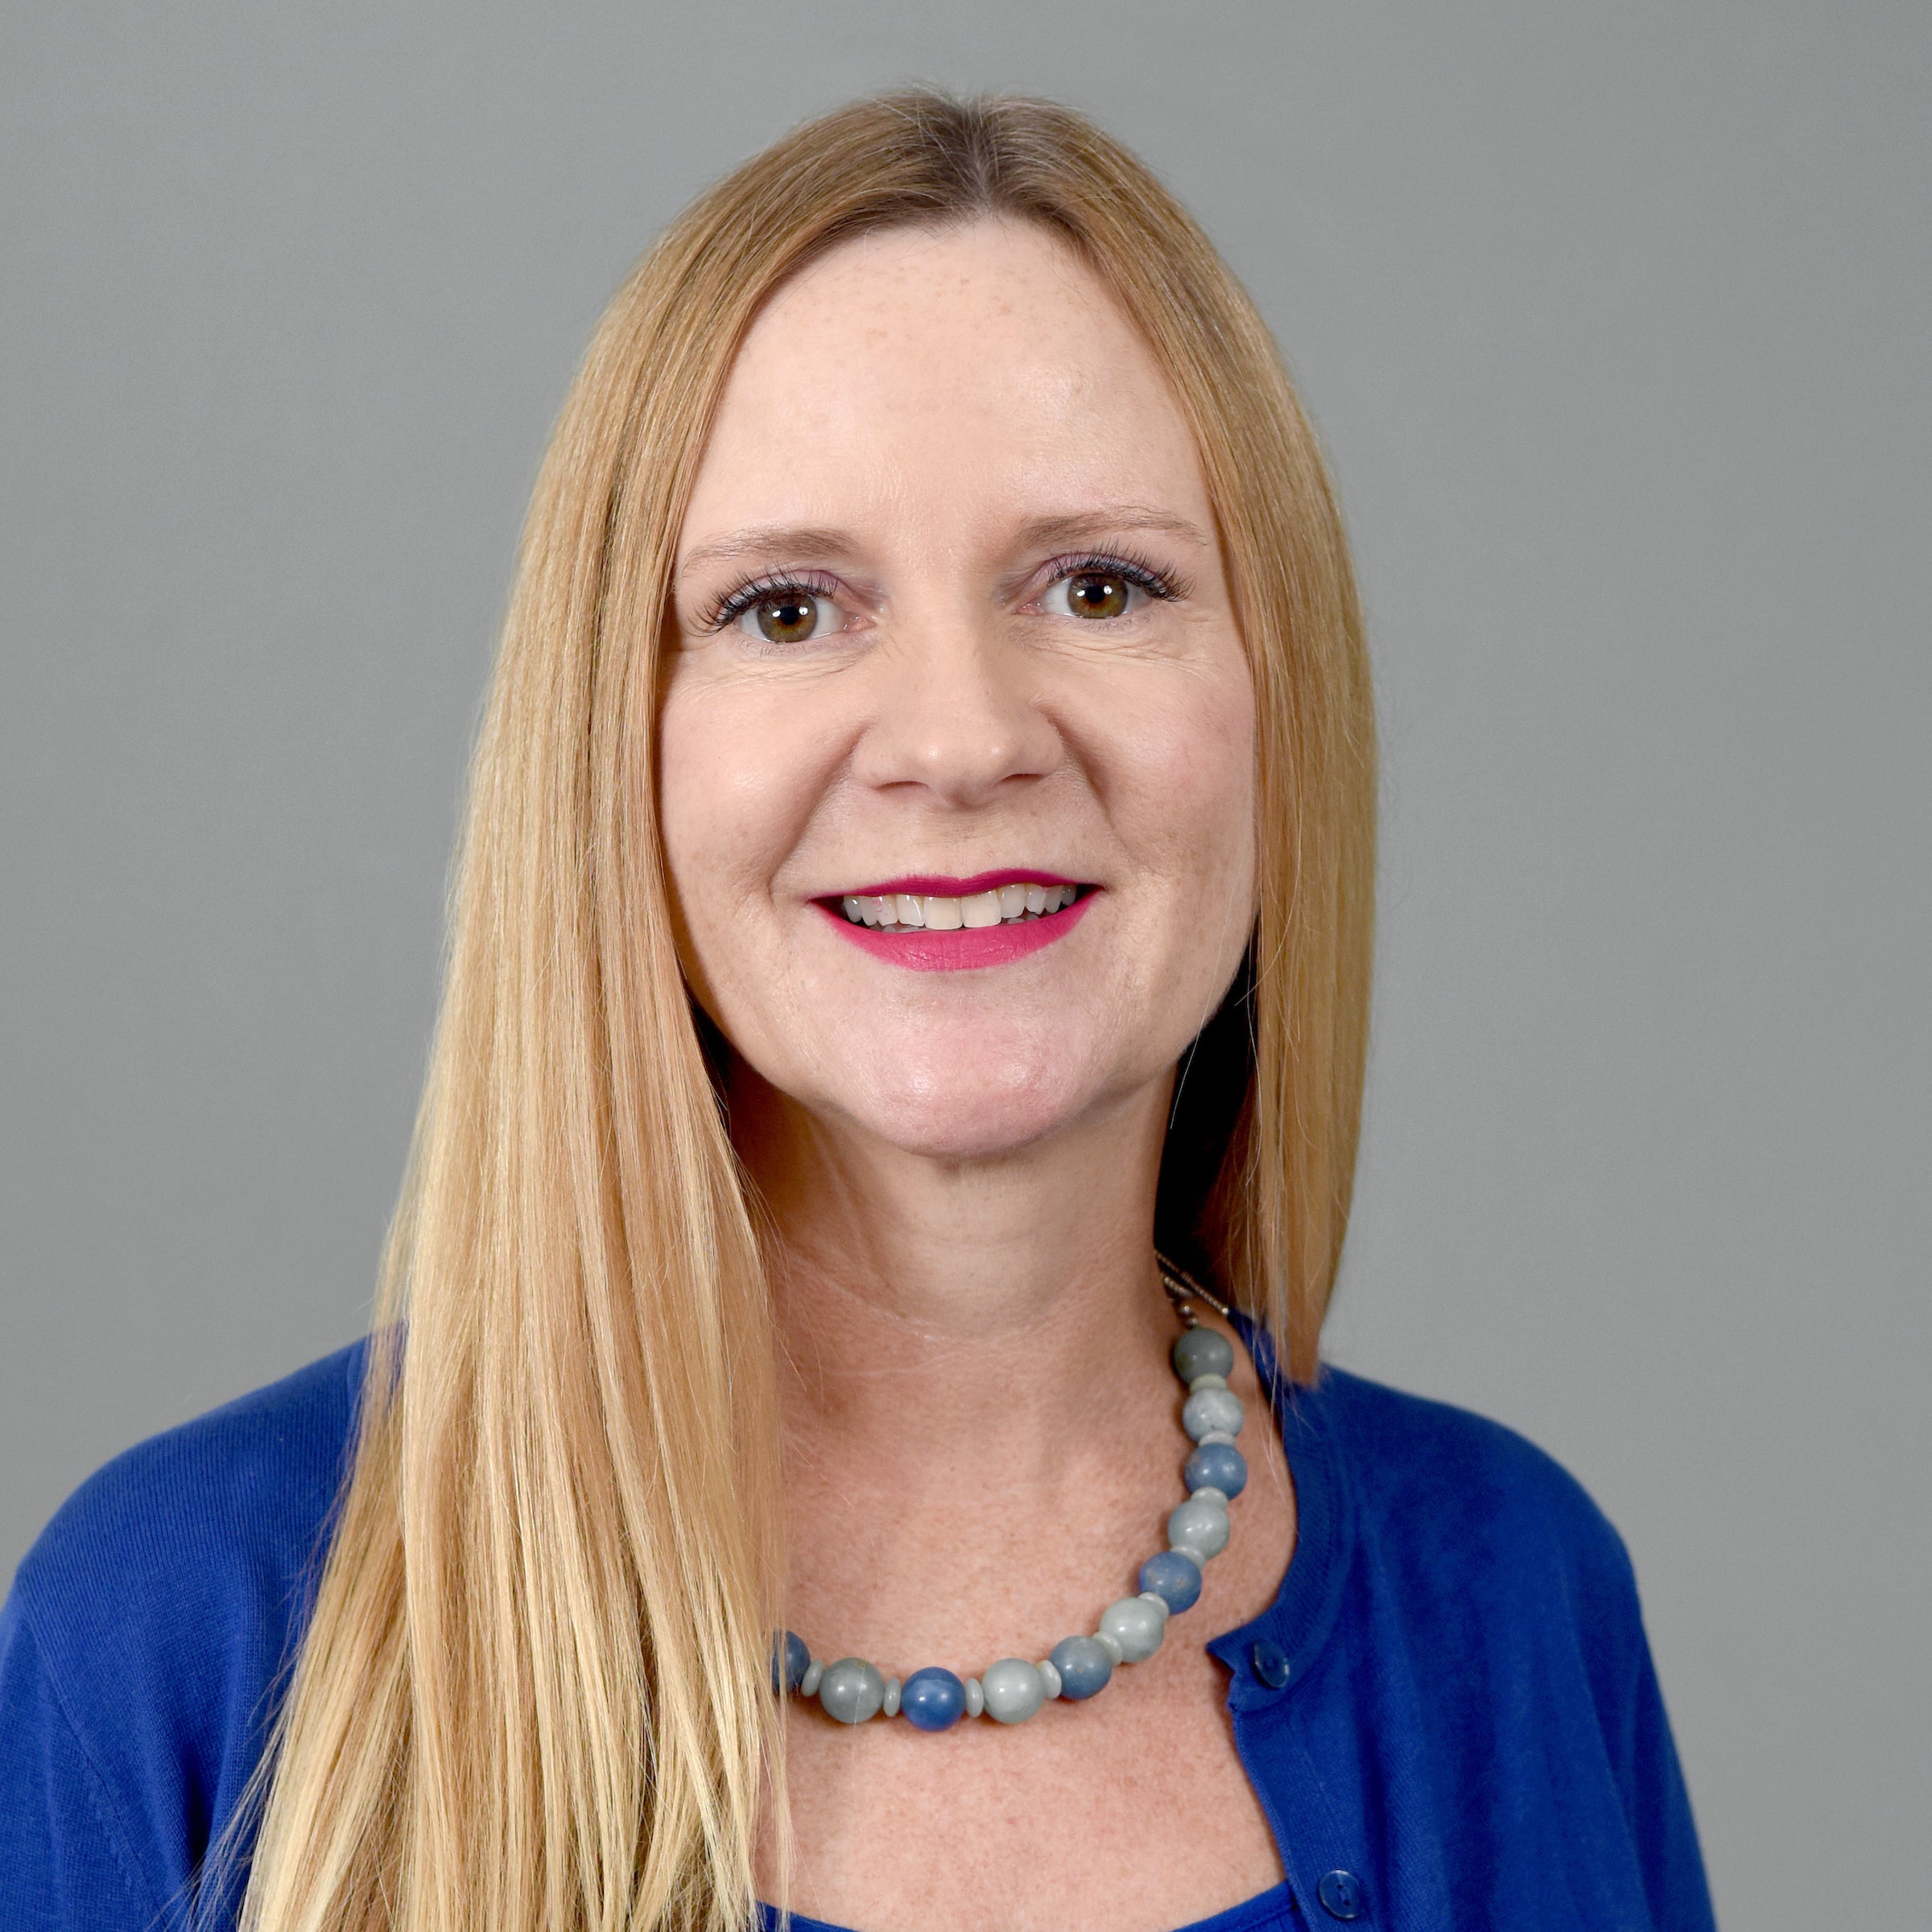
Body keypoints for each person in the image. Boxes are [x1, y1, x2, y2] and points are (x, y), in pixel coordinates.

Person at [0, 92, 1716, 1932]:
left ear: (1278, 704)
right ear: (615, 749)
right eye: (790, 611)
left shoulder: (1521, 1597)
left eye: (1100, 584)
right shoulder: (190, 1633)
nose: (963, 740)